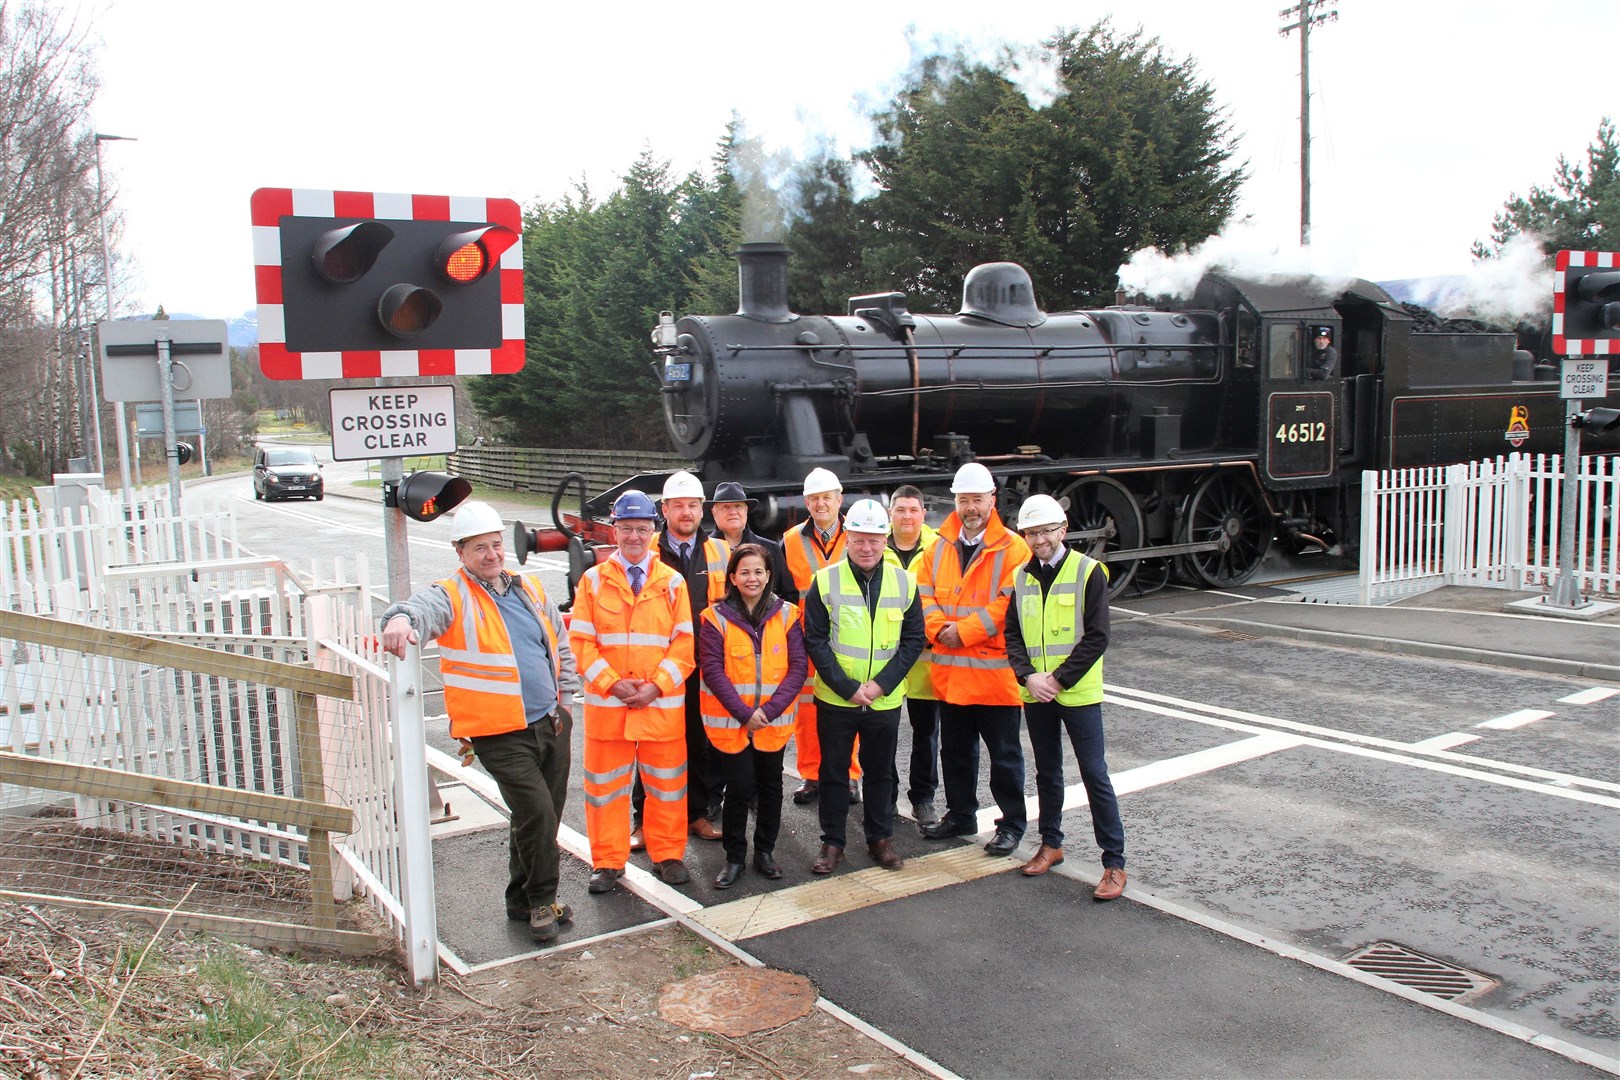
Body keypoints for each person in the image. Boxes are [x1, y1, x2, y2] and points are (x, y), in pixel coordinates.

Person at [380, 501, 579, 944]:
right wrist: (398, 619)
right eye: (479, 548)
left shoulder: (528, 589)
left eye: (495, 545)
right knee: (538, 813)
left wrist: (565, 699)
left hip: (550, 721)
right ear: (460, 552)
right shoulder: (452, 594)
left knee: (536, 817)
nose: (491, 555)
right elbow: (419, 609)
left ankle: (518, 899)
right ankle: (543, 901)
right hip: (499, 732)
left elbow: (558, 641)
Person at [569, 489, 695, 893]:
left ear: (653, 531)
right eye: (626, 529)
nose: (634, 537)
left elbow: (684, 645)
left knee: (667, 786)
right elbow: (580, 643)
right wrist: (612, 683)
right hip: (610, 709)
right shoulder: (592, 581)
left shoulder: (672, 583)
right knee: (605, 790)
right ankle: (607, 861)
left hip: (659, 709)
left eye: (642, 529)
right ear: (614, 530)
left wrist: (656, 687)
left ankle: (668, 855)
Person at [1004, 495, 1128, 900]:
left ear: (1063, 529)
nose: (1039, 540)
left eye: (1045, 531)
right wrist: (1027, 676)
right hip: (1037, 692)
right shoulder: (1022, 577)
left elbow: (1098, 637)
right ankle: (1051, 843)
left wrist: (1056, 680)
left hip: (1074, 692)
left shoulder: (1088, 572)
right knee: (1047, 772)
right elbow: (1013, 636)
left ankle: (1114, 863)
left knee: (1094, 773)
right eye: (1031, 533)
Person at [802, 500, 925, 875]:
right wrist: (847, 687)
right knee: (835, 772)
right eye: (859, 539)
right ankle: (832, 842)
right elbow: (816, 640)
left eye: (874, 539)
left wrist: (880, 685)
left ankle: (879, 839)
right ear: (847, 539)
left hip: (883, 700)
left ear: (885, 540)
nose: (867, 547)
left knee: (880, 771)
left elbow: (913, 640)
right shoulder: (824, 581)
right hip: (837, 699)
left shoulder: (905, 582)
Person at [917, 462, 1033, 857]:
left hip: (993, 677)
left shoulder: (1015, 548)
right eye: (964, 500)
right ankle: (961, 814)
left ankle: (1012, 824)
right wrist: (937, 628)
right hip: (951, 675)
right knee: (955, 751)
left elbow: (1008, 603)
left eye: (977, 500)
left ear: (992, 501)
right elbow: (924, 594)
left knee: (1004, 756)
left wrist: (961, 631)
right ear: (955, 501)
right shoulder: (938, 545)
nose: (970, 508)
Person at [626, 471, 728, 849]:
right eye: (678, 506)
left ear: (702, 510)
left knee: (700, 742)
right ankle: (644, 819)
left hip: (704, 667)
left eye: (693, 505)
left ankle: (698, 813)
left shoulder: (720, 552)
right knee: (651, 746)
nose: (686, 512)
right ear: (664, 509)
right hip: (659, 670)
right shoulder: (644, 550)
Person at [698, 544, 807, 889]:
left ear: (769, 575)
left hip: (772, 722)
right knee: (740, 787)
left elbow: (798, 668)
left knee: (771, 787)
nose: (752, 578)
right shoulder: (714, 618)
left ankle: (764, 852)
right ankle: (734, 858)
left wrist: (768, 711)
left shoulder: (788, 614)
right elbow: (712, 671)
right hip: (733, 723)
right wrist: (746, 714)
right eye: (744, 571)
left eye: (759, 571)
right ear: (732, 577)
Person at [779, 467, 862, 807]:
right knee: (808, 712)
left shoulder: (856, 536)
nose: (821, 504)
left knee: (850, 708)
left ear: (839, 499)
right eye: (814, 499)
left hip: (848, 636)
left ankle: (850, 776)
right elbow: (784, 593)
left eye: (827, 497)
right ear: (806, 503)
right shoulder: (790, 540)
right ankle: (811, 776)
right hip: (804, 638)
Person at [883, 485, 942, 826]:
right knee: (883, 733)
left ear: (923, 513)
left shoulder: (938, 548)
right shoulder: (875, 546)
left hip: (924, 661)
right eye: (900, 510)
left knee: (926, 734)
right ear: (891, 514)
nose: (906, 516)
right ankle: (885, 795)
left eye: (912, 510)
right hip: (887, 658)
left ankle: (923, 798)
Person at [708, 481, 789, 599]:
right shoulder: (702, 550)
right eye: (726, 507)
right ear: (714, 512)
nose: (733, 512)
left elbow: (788, 595)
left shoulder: (771, 549)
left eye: (738, 506)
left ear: (746, 511)